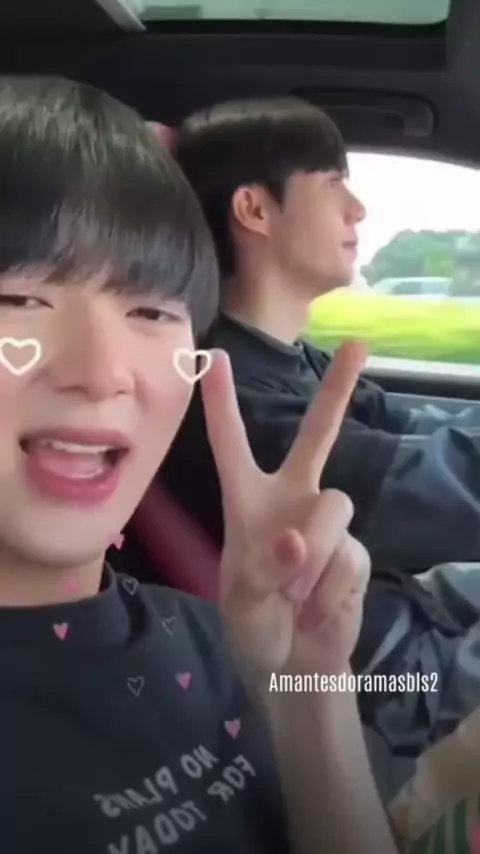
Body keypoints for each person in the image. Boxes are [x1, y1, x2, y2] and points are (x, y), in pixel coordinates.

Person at [0, 74, 395, 854]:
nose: (104, 373)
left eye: (151, 310)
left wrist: (312, 690)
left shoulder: (224, 636)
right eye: (16, 301)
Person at [154, 97, 480, 764]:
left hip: (409, 609)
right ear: (254, 209)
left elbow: (423, 429)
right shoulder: (236, 399)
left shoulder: (296, 361)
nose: (357, 209)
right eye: (334, 182)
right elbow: (442, 494)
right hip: (388, 678)